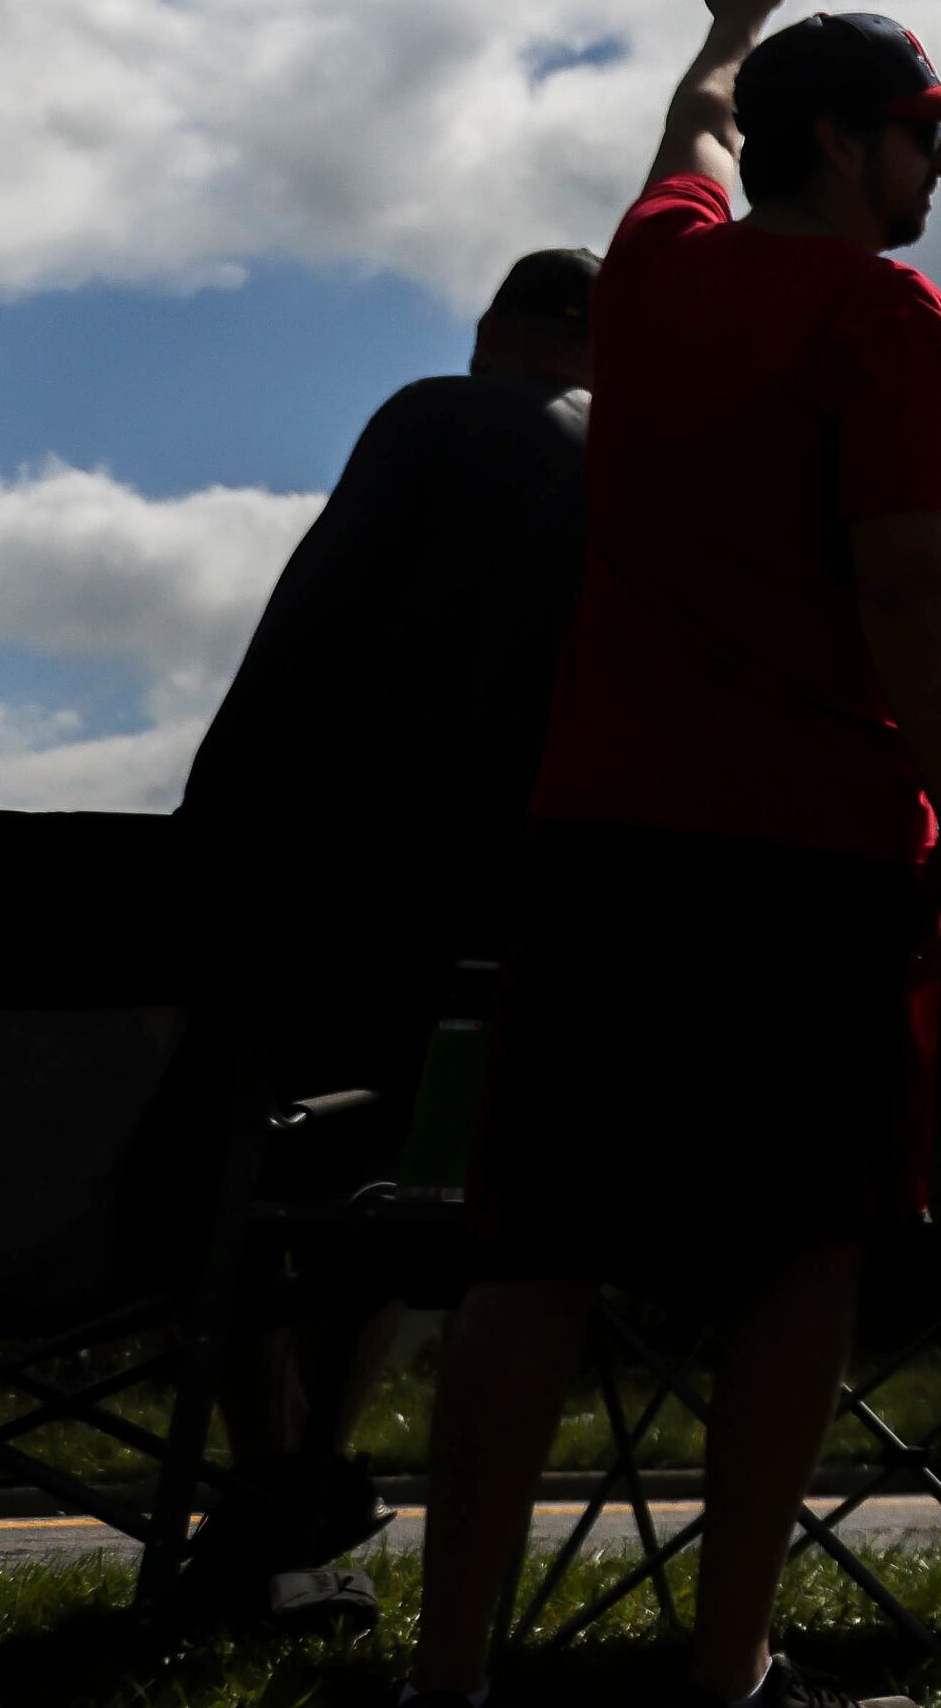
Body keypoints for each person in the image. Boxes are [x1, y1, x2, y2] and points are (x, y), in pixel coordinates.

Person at [406, 0, 941, 1708]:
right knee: (805, 1245)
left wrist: (729, 22)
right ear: (842, 146)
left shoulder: (652, 275)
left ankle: (450, 1675)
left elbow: (693, 123)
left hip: (605, 838)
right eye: (919, 133)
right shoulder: (886, 320)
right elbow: (905, 575)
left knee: (536, 1245)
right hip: (813, 853)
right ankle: (727, 1666)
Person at [166, 245, 599, 1623]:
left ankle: (265, 1481)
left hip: (286, 867)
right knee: (393, 1200)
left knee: (253, 1174)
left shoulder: (426, 413)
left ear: (492, 330)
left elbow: (305, 629)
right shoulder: (602, 456)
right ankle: (303, 1477)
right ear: (595, 351)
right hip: (483, 892)